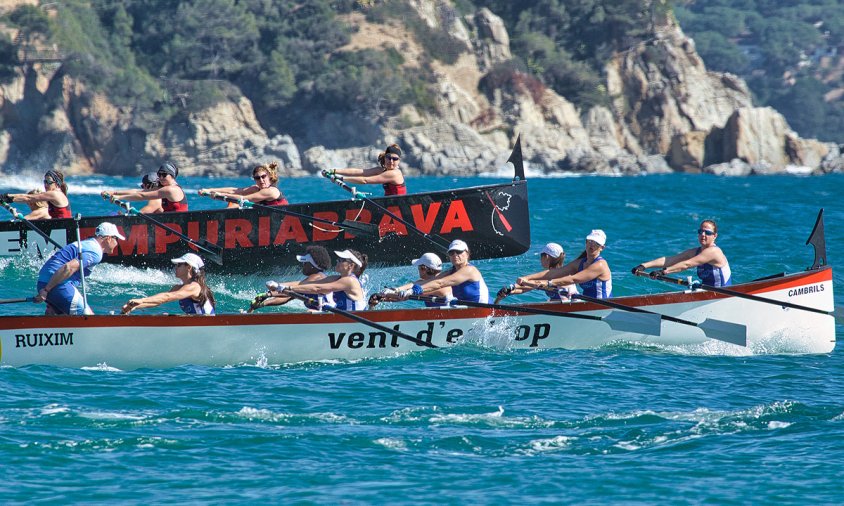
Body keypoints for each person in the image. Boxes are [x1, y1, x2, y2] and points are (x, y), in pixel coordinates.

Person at [33, 222, 124, 315]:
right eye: (116, 239)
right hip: (57, 284)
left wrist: (45, 289)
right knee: (88, 317)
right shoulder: (95, 252)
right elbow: (68, 268)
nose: (117, 243)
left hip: (43, 282)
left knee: (58, 315)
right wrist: (46, 290)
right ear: (108, 238)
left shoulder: (87, 244)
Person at [632, 219, 732, 287]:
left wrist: (663, 272)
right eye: (700, 231)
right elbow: (669, 260)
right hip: (707, 293)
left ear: (715, 236)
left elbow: (687, 264)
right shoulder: (695, 252)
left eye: (708, 233)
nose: (703, 234)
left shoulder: (714, 252)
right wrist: (643, 266)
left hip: (722, 295)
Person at [517, 230, 612, 299]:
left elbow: (573, 279)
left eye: (596, 243)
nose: (592, 245)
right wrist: (527, 278)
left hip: (603, 307)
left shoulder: (600, 265)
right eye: (590, 241)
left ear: (602, 248)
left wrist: (546, 283)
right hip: (587, 306)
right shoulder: (580, 263)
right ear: (586, 242)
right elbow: (554, 273)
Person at [121, 253, 216, 315]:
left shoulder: (194, 287)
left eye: (179, 265)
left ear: (189, 267)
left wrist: (142, 300)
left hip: (208, 327)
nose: (176, 267)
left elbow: (167, 296)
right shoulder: (178, 287)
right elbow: (160, 301)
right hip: (197, 326)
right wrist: (134, 306)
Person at [398, 240, 489, 303]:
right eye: (451, 253)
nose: (455, 255)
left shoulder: (470, 270)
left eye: (458, 252)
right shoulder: (450, 271)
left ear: (467, 253)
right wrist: (397, 290)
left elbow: (440, 283)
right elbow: (428, 282)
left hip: (484, 313)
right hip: (467, 313)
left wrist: (413, 291)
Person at [276, 249, 368, 311]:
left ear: (350, 266)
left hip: (354, 322)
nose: (337, 261)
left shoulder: (350, 281)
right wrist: (278, 285)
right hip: (343, 319)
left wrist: (287, 288)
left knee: (311, 312)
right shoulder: (336, 278)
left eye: (341, 260)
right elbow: (310, 284)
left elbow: (317, 288)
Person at [253, 245, 333, 311]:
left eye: (305, 263)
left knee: (308, 312)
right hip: (321, 316)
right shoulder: (315, 278)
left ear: (312, 266)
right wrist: (264, 303)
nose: (303, 265)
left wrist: (268, 294)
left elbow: (294, 286)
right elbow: (289, 296)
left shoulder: (317, 277)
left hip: (328, 316)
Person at [495, 242, 579, 303]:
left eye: (541, 256)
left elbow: (536, 284)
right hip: (559, 306)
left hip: (572, 308)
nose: (540, 260)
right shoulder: (549, 274)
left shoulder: (561, 274)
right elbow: (525, 288)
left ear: (546, 257)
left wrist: (514, 285)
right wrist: (509, 291)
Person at [372, 252, 452, 308]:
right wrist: (393, 291)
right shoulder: (424, 282)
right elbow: (412, 285)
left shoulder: (442, 287)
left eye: (419, 267)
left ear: (423, 268)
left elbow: (407, 296)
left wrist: (385, 295)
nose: (418, 270)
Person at [326, 143, 407, 195]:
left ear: (399, 160)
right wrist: (334, 171)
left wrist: (340, 178)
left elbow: (365, 180)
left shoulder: (394, 174)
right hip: (390, 205)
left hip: (398, 208)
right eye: (388, 157)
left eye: (395, 159)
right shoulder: (381, 170)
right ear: (385, 158)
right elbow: (358, 172)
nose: (391, 161)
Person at [104, 162, 187, 212]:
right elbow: (138, 192)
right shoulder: (164, 188)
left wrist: (119, 197)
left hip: (178, 225)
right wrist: (113, 192)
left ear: (172, 175)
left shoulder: (171, 190)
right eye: (159, 174)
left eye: (164, 175)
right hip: (170, 224)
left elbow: (142, 196)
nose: (161, 177)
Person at [200, 162, 288, 208]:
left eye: (263, 176)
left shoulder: (271, 191)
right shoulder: (256, 189)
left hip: (284, 222)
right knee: (233, 205)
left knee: (237, 204)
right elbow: (234, 191)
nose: (261, 180)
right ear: (254, 179)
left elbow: (244, 199)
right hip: (271, 221)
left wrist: (220, 195)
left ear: (269, 176)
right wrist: (209, 190)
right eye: (257, 178)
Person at [1, 170, 72, 219]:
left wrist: (5, 197)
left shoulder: (55, 194)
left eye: (49, 182)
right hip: (60, 228)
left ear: (57, 184)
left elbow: (29, 198)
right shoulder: (56, 195)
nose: (45, 185)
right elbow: (29, 197)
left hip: (64, 229)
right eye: (45, 181)